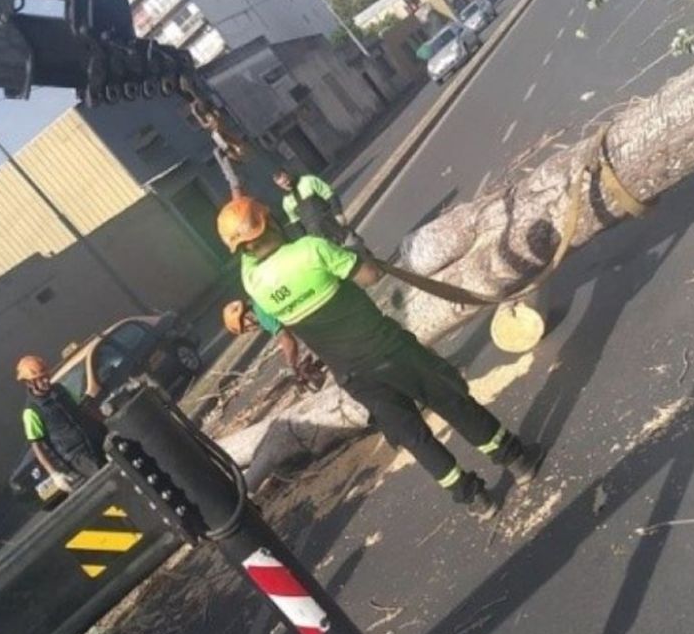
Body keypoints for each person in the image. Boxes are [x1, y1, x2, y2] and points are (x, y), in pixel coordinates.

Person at [217, 197, 542, 520]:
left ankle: (474, 499)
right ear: (271, 222)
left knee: (412, 436)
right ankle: (516, 460)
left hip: (354, 376)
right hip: (389, 349)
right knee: (449, 400)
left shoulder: (255, 285)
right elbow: (370, 276)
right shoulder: (310, 250)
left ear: (241, 249)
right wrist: (355, 255)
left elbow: (250, 256)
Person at [15, 355, 107, 493]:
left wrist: (106, 426)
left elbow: (82, 409)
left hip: (95, 439)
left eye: (46, 375)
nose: (46, 380)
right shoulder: (31, 411)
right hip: (78, 456)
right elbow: (37, 446)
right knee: (107, 481)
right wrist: (54, 474)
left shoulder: (59, 389)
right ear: (29, 383)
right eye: (40, 379)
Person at [223, 299, 326, 391]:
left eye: (246, 328)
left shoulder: (261, 314)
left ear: (245, 316)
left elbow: (287, 340)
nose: (250, 330)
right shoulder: (260, 303)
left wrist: (291, 366)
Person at [274, 168, 359, 246]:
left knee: (355, 246)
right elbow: (296, 223)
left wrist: (338, 214)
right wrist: (306, 241)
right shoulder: (286, 202)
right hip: (319, 238)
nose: (287, 184)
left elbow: (330, 195)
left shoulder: (308, 181)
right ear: (279, 186)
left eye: (286, 180)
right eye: (283, 184)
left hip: (334, 224)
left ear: (289, 175)